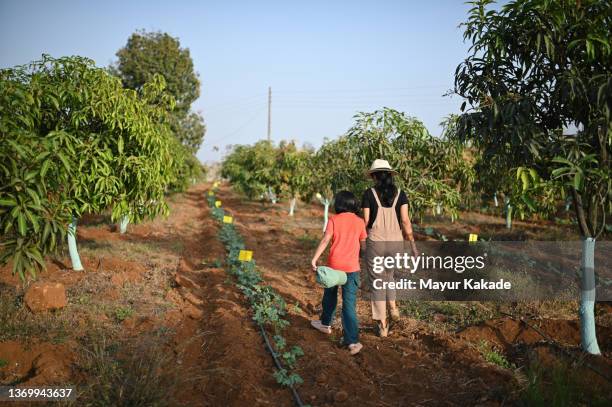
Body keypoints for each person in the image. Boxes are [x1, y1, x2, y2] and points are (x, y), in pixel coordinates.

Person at [362, 159, 418, 337]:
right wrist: (413, 247)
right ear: (390, 175)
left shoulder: (368, 194)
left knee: (377, 282)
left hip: (376, 242)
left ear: (374, 176)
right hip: (395, 243)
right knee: (389, 276)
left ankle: (383, 325)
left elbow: (365, 222)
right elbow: (406, 222)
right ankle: (393, 307)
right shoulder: (401, 194)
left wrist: (359, 243)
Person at [310, 191, 366, 355]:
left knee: (329, 296)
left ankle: (325, 324)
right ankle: (353, 342)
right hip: (352, 268)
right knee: (349, 304)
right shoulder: (360, 222)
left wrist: (314, 259)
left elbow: (326, 240)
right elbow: (363, 246)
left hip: (334, 267)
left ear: (339, 204)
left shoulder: (334, 219)